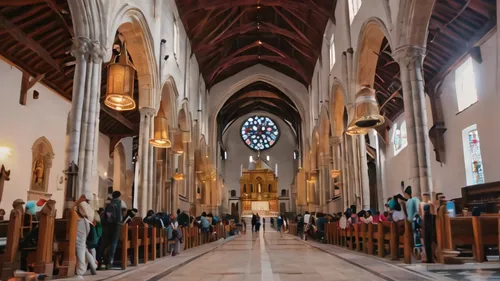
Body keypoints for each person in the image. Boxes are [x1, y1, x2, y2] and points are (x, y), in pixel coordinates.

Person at [97, 190, 124, 270]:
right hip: (116, 225)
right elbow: (122, 214)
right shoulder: (120, 203)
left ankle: (99, 262)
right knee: (113, 243)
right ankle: (109, 262)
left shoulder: (109, 203)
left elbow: (106, 214)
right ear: (119, 196)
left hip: (106, 225)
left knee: (104, 243)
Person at [74, 195, 97, 276]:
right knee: (83, 246)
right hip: (86, 224)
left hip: (81, 223)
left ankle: (81, 269)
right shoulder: (89, 206)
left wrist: (78, 201)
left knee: (80, 246)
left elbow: (84, 214)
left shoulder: (82, 203)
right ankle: (93, 263)